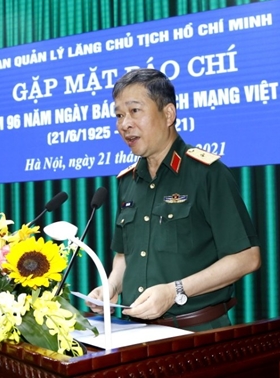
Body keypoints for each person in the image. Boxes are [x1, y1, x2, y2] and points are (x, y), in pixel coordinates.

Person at [87, 68, 261, 332]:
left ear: (168, 114)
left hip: (198, 333)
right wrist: (112, 286)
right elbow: (125, 254)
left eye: (135, 111)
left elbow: (247, 257)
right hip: (135, 332)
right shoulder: (128, 181)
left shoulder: (207, 172)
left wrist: (175, 291)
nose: (124, 124)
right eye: (119, 115)